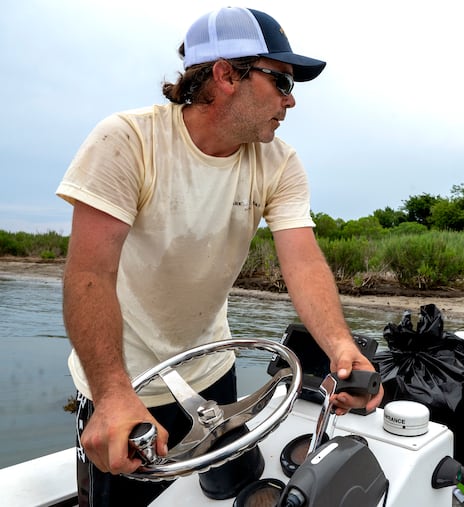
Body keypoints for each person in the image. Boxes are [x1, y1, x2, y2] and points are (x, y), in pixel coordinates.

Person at [56, 6, 383, 506]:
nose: (291, 100)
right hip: (123, 382)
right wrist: (112, 394)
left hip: (211, 369)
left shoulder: (280, 162)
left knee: (229, 493)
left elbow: (302, 260)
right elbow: (89, 274)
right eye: (280, 81)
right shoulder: (127, 140)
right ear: (225, 74)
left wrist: (342, 347)